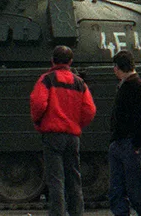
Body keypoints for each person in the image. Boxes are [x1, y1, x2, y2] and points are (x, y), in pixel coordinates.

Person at [30, 45, 97, 216]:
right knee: (74, 178)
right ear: (70, 61)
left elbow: (38, 104)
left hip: (52, 134)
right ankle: (77, 212)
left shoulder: (47, 80)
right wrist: (77, 124)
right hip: (72, 135)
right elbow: (89, 109)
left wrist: (39, 122)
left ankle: (58, 213)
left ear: (52, 60)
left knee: (56, 180)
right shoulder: (79, 82)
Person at [109, 50, 141, 216]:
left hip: (129, 144)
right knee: (120, 188)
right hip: (123, 142)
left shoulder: (135, 86)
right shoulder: (130, 85)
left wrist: (137, 143)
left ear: (118, 67)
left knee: (136, 190)